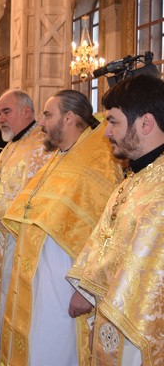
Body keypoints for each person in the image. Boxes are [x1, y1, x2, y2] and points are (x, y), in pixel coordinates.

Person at [0, 90, 123, 366]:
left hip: (65, 287)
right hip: (38, 281)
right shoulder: (59, 157)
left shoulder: (97, 166)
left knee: (56, 349)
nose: (41, 123)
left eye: (47, 114)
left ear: (69, 118)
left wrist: (87, 290)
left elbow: (108, 234)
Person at [67, 74, 164, 366]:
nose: (106, 132)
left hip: (139, 327)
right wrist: (86, 288)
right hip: (111, 312)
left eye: (113, 122)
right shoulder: (136, 177)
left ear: (145, 123)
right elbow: (107, 238)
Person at [0, 89, 52, 365]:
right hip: (4, 239)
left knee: (19, 308)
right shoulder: (13, 144)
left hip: (24, 241)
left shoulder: (43, 147)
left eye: (7, 112)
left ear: (27, 111)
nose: (1, 118)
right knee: (3, 305)